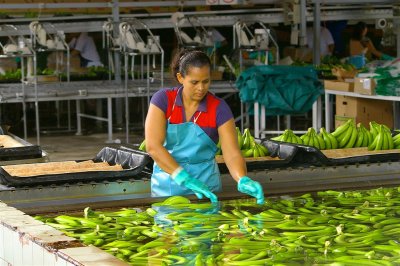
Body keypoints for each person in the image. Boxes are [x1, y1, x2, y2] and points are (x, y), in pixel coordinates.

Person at [144, 49, 264, 204]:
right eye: (194, 82)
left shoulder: (219, 108)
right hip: (168, 187)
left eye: (206, 81)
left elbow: (231, 152)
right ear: (181, 78)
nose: (201, 88)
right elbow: (153, 146)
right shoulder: (164, 100)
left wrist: (242, 178)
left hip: (207, 188)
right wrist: (183, 177)